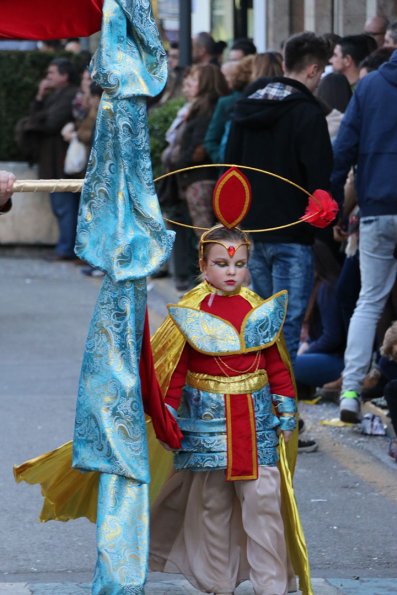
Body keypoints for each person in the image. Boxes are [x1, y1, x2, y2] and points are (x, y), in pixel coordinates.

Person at [149, 221, 311, 595]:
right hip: (208, 428)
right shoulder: (189, 312)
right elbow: (175, 370)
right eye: (221, 264)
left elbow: (276, 366)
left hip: (256, 426)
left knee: (264, 503)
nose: (231, 272)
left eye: (239, 265)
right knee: (212, 507)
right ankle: (217, 583)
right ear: (203, 265)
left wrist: (286, 412)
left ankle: (270, 585)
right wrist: (168, 415)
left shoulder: (259, 309)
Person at [226, 32, 333, 365]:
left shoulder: (247, 107)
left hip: (252, 230)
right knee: (286, 320)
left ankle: (256, 401)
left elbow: (230, 169)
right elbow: (319, 178)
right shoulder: (308, 113)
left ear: (285, 63)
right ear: (314, 70)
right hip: (292, 231)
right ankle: (280, 405)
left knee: (257, 317)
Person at [331, 49, 397, 423]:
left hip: (377, 206)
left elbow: (344, 149)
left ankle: (351, 391)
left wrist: (335, 202)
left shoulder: (370, 86)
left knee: (369, 300)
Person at [22, 57, 80, 260]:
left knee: (65, 206)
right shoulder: (55, 95)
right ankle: (65, 246)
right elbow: (38, 118)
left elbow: (52, 122)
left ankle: (66, 248)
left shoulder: (70, 95)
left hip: (61, 162)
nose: (48, 77)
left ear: (65, 76)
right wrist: (39, 98)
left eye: (52, 73)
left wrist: (35, 121)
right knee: (60, 205)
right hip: (52, 160)